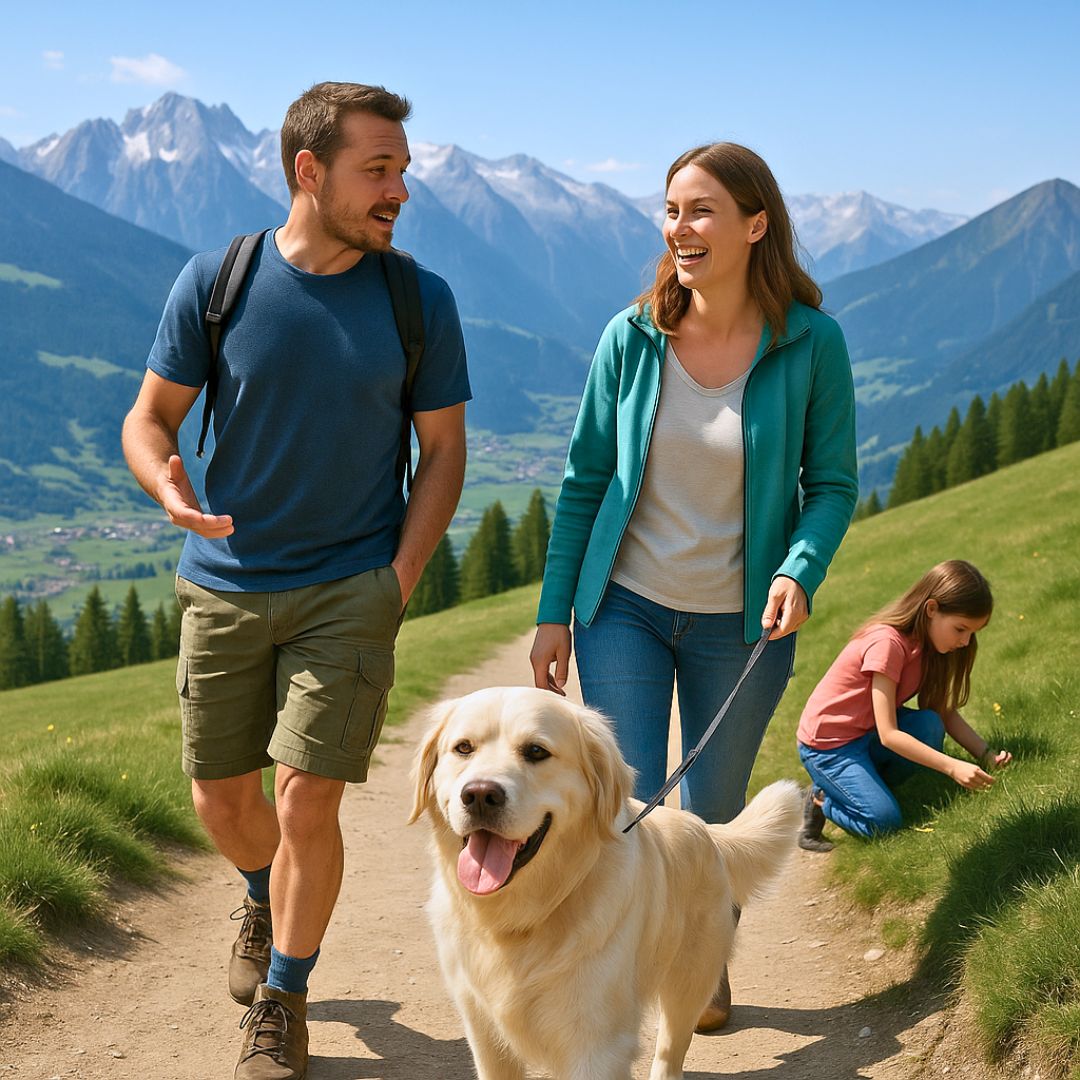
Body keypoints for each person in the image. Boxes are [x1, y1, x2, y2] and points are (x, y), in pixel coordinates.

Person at [122, 82, 470, 1079]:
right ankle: (261, 893)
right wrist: (166, 484)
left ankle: (284, 996)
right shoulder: (218, 281)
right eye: (378, 169)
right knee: (222, 802)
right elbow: (149, 419)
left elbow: (444, 452)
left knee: (307, 800)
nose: (400, 190)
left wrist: (397, 579)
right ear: (308, 171)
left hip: (351, 587)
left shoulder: (419, 300)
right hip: (223, 584)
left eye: (402, 169)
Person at [529, 142, 858, 1032]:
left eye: (701, 209)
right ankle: (621, 977)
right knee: (630, 810)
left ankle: (702, 956)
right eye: (672, 210)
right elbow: (584, 482)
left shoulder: (812, 343)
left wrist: (798, 569)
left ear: (755, 225)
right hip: (624, 607)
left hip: (742, 625)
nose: (680, 227)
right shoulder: (631, 337)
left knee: (712, 817)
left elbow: (832, 486)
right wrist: (554, 613)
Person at [797, 560, 1011, 851]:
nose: (965, 641)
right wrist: (952, 767)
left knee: (930, 724)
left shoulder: (933, 648)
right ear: (931, 609)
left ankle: (865, 786)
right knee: (884, 822)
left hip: (867, 732)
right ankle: (823, 797)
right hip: (829, 746)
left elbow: (943, 711)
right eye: (960, 629)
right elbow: (889, 734)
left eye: (972, 633)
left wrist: (986, 755)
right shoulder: (887, 643)